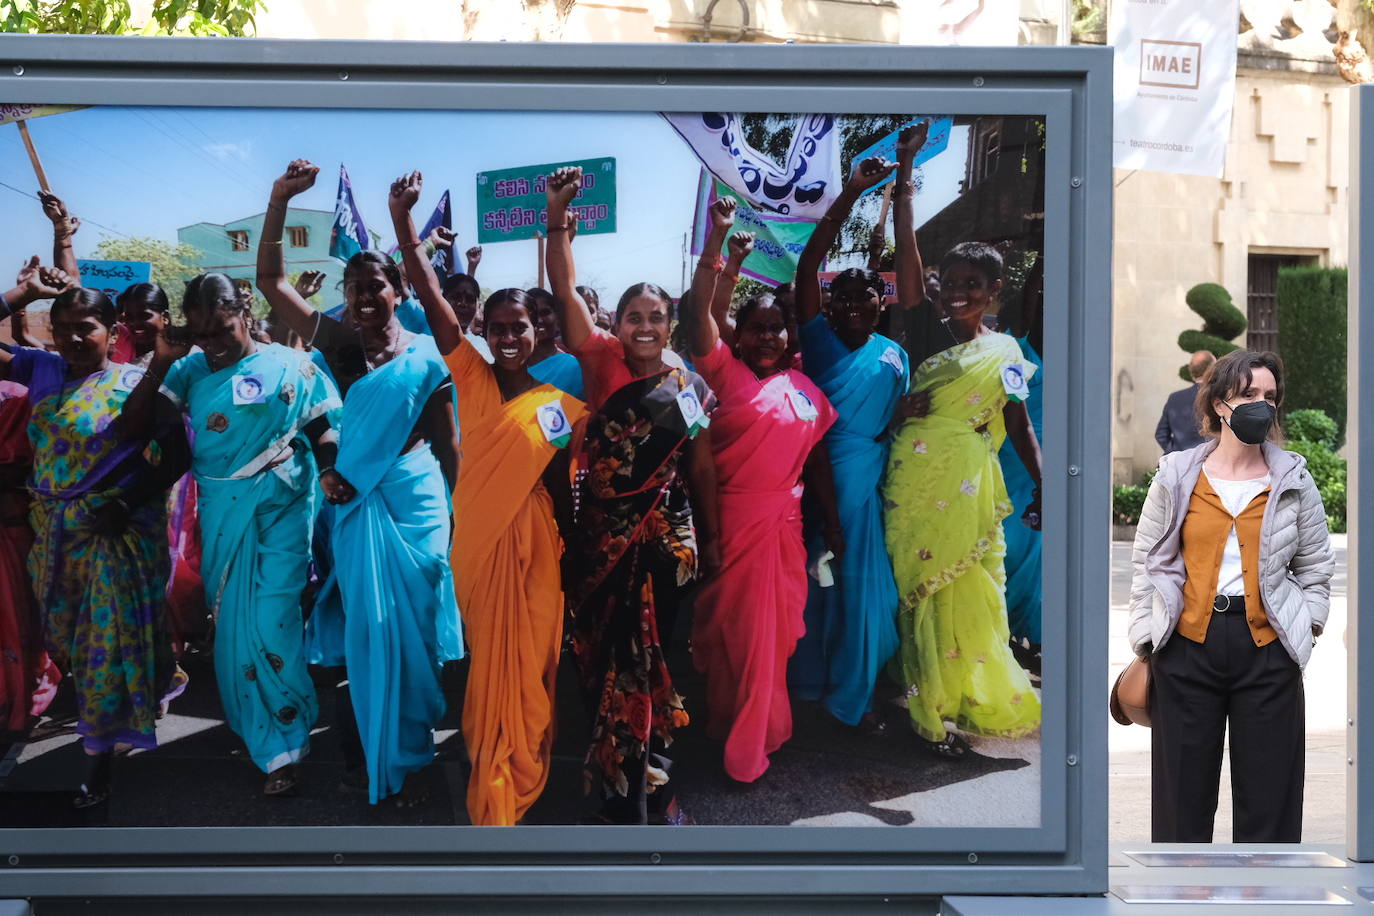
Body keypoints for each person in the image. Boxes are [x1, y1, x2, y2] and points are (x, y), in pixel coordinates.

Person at [258, 160, 463, 804]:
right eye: (354, 287)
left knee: (420, 627)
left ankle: (413, 736)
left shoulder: (428, 355)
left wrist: (460, 517)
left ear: (397, 289)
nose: (365, 296)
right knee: (371, 628)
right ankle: (379, 753)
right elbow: (270, 280)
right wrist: (279, 199)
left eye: (376, 285)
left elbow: (447, 442)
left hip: (420, 500)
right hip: (354, 501)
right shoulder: (340, 345)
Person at [391, 170, 582, 825]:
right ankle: (490, 764)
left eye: (518, 326)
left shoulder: (559, 403)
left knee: (529, 665)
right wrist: (404, 224)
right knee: (487, 666)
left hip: (535, 547)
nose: (504, 336)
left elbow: (561, 486)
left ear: (539, 330)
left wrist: (575, 549)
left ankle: (522, 766)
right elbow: (431, 296)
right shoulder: (467, 374)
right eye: (496, 326)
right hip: (476, 540)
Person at [122, 273, 344, 798]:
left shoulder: (292, 365)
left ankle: (286, 734)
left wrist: (331, 467)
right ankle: (265, 738)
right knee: (236, 629)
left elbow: (321, 427)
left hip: (284, 509)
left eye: (222, 331)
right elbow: (141, 429)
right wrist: (161, 360)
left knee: (274, 621)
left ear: (244, 309)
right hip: (224, 515)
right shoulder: (189, 369)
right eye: (202, 336)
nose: (214, 346)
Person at [545, 165, 720, 824]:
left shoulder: (690, 386)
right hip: (602, 541)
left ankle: (653, 775)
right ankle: (614, 771)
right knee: (599, 658)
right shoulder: (598, 360)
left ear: (669, 324)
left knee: (655, 659)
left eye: (656, 317)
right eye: (634, 317)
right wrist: (558, 216)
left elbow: (701, 470)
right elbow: (563, 287)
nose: (645, 326)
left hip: (666, 542)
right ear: (615, 323)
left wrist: (716, 541)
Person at [1129, 349, 1334, 843]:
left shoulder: (1293, 478)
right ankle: (1182, 900)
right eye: (1248, 395)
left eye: (1269, 396)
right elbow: (1147, 563)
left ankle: (1265, 901)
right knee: (1181, 802)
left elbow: (1315, 568)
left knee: (1271, 804)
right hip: (1186, 647)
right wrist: (1145, 638)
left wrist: (1305, 629)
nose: (1261, 405)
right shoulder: (1176, 475)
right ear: (1220, 403)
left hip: (1268, 648)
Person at [883, 134, 1044, 757]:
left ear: (994, 290)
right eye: (949, 280)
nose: (958, 291)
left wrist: (1049, 484)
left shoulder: (1003, 353)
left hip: (974, 488)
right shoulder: (924, 327)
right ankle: (925, 705)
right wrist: (903, 172)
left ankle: (965, 697)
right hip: (917, 482)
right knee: (919, 589)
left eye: (972, 283)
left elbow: (1021, 424)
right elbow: (906, 249)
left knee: (977, 590)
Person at [1, 278, 188, 808]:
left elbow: (174, 458)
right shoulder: (41, 376)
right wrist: (26, 293)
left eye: (85, 328)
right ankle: (150, 683)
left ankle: (97, 754)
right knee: (73, 645)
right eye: (61, 331)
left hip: (116, 536)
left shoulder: (138, 382)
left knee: (104, 645)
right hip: (52, 540)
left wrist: (125, 504)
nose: (72, 339)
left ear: (114, 332)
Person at [687, 199, 840, 783]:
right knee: (735, 639)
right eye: (758, 328)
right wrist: (718, 245)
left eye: (778, 327)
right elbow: (699, 314)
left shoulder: (805, 387)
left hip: (785, 531)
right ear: (740, 336)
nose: (770, 335)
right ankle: (737, 733)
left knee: (768, 644)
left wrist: (834, 525)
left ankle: (755, 736)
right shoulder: (723, 372)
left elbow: (818, 460)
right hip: (732, 526)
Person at [788, 135, 917, 730]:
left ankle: (854, 690)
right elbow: (808, 264)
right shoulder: (816, 340)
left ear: (879, 300)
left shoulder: (894, 353)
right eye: (844, 295)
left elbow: (890, 417)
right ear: (831, 304)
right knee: (818, 583)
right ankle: (810, 684)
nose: (856, 302)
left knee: (872, 594)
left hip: (874, 484)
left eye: (867, 294)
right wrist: (854, 190)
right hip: (816, 480)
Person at [116, 282, 210, 656]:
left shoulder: (190, 358)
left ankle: (176, 647)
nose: (136, 323)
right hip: (133, 472)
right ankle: (157, 651)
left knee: (179, 560)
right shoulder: (119, 362)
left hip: (181, 475)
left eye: (146, 315)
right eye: (129, 316)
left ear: (166, 317)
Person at [0, 267, 65, 737]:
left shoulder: (15, 399)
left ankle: (21, 704)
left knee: (21, 625)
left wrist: (26, 294)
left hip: (14, 529)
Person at [998, 257, 1045, 672]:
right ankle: (1003, 633)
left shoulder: (1071, 348)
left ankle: (1033, 636)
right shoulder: (1017, 350)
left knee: (1038, 552)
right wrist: (1041, 259)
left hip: (1051, 462)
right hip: (1014, 458)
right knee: (1010, 546)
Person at [525, 287, 586, 399]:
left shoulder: (572, 367)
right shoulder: (511, 367)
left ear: (558, 318)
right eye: (532, 314)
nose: (539, 320)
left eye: (545, 313)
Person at [1155, 350, 1215, 454]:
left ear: (1191, 372)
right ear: (1211, 370)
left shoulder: (1175, 398)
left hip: (1179, 464)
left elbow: (1161, 435)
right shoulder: (1217, 397)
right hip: (1209, 462)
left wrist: (1175, 454)